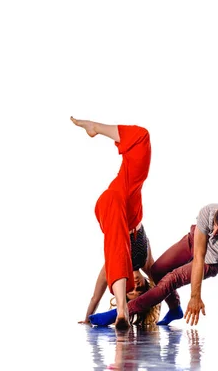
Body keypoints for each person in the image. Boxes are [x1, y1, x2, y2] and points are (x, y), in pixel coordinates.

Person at [89, 202, 218, 330]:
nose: (214, 233)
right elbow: (197, 254)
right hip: (194, 243)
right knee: (157, 271)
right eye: (214, 226)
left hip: (214, 261)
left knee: (171, 280)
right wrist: (194, 296)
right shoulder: (208, 212)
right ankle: (175, 308)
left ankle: (120, 312)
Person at [70, 116, 152, 329]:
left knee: (116, 242)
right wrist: (175, 305)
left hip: (111, 207)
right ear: (143, 280)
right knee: (142, 137)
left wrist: (88, 316)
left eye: (131, 292)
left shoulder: (111, 267)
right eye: (140, 286)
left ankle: (122, 311)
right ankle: (95, 127)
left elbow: (95, 296)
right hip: (131, 208)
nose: (136, 287)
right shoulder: (145, 260)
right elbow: (164, 282)